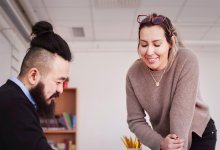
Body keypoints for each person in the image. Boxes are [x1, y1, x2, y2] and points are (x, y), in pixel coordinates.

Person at [126, 13, 217, 150]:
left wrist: (176, 147)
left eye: (157, 44)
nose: (149, 51)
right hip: (166, 140)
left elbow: (180, 113)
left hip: (199, 132)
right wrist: (160, 143)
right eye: (144, 44)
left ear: (171, 42)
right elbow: (135, 120)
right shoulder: (133, 74)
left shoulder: (186, 60)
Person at [0, 21, 72, 150]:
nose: (61, 90)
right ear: (33, 76)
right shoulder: (15, 106)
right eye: (58, 82)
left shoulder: (11, 98)